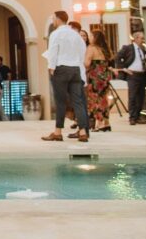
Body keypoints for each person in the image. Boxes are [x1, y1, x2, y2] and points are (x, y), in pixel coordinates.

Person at [42, 10, 90, 142]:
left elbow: (53, 51)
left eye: (53, 18)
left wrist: (51, 67)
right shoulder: (75, 34)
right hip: (75, 69)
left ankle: (58, 132)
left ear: (58, 19)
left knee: (60, 101)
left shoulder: (56, 34)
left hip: (61, 68)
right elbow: (83, 50)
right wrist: (76, 63)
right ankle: (83, 132)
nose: (53, 21)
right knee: (78, 101)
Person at [115, 31, 146, 125]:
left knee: (140, 96)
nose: (143, 40)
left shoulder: (142, 49)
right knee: (132, 96)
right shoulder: (128, 48)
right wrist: (123, 68)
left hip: (141, 74)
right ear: (136, 38)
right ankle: (132, 117)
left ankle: (138, 116)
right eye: (141, 38)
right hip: (132, 74)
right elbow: (117, 57)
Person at [84, 30, 114, 132]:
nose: (89, 38)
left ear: (95, 38)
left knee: (94, 99)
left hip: (95, 76)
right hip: (104, 76)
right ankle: (106, 123)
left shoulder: (91, 48)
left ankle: (99, 123)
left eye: (91, 36)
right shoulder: (104, 49)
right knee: (104, 99)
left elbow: (87, 63)